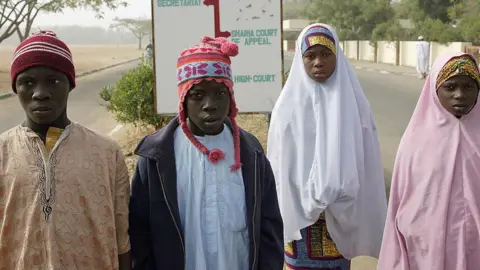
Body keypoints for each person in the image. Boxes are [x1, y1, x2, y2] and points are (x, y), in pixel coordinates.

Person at [129, 36, 284, 270]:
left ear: (230, 97)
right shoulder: (156, 158)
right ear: (183, 100)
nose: (210, 104)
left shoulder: (251, 154)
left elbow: (269, 227)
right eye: (198, 95)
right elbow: (140, 232)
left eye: (220, 94)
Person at [0, 31, 131, 269]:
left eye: (53, 81)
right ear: (15, 87)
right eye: (27, 82)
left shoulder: (106, 153)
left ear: (70, 84)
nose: (40, 93)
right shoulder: (2, 152)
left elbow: (122, 238)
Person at [267, 23, 387, 269]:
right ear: (301, 60)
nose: (318, 62)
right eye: (310, 56)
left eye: (325, 54)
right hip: (300, 219)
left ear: (337, 56)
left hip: (342, 216)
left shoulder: (355, 107)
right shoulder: (287, 108)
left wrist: (339, 194)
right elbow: (279, 166)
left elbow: (367, 164)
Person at [377, 52, 480, 269]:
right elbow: (399, 201)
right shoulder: (415, 143)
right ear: (434, 90)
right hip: (426, 248)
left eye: (469, 87)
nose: (460, 95)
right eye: (450, 87)